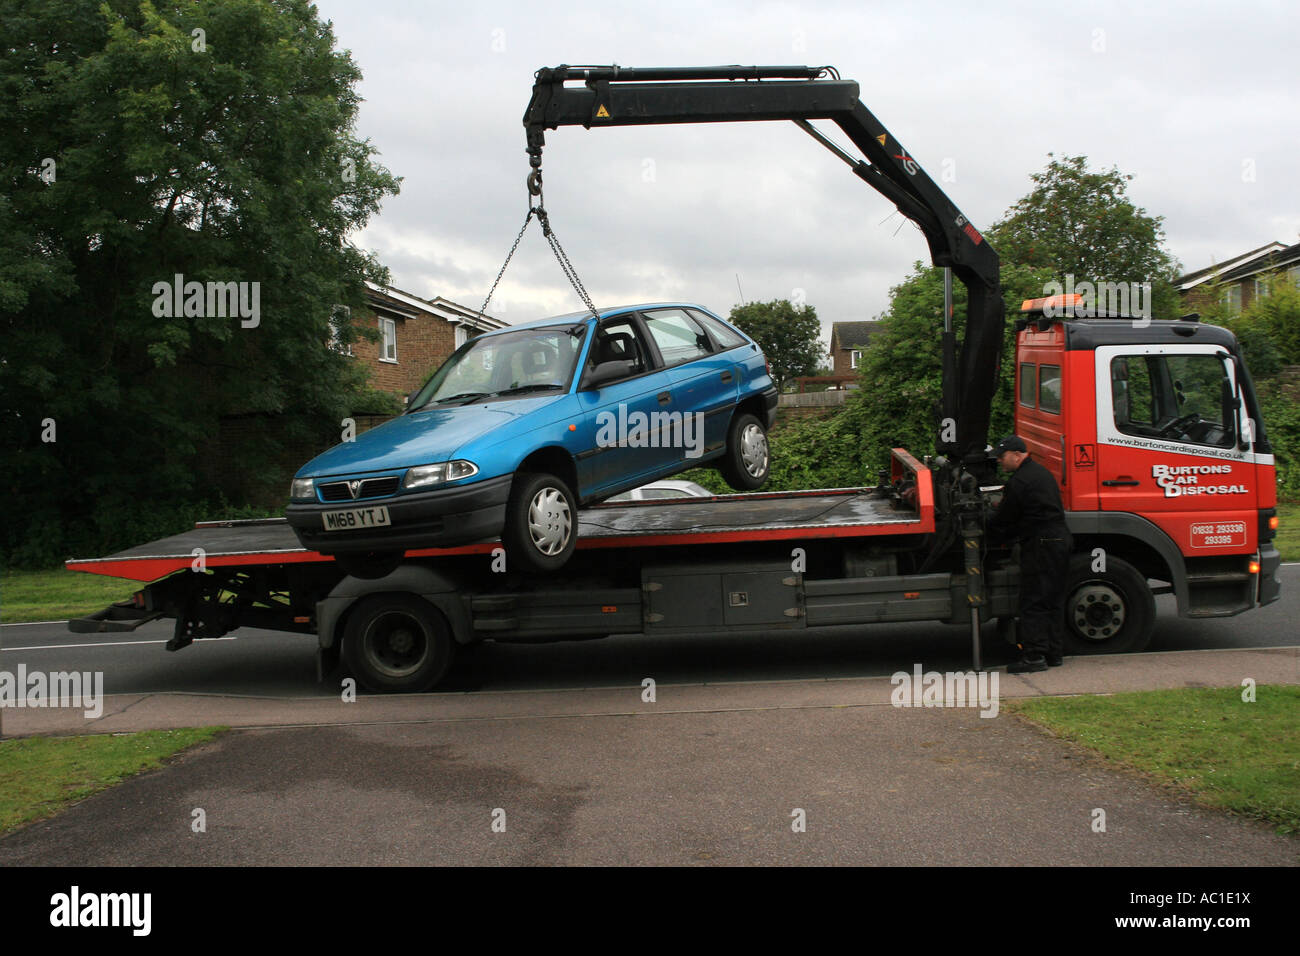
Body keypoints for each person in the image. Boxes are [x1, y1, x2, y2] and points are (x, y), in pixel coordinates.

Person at [986, 434, 1072, 673]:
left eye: (1001, 457)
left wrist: (988, 523)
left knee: (1033, 601)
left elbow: (1005, 518)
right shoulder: (1041, 473)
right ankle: (1054, 653)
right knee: (1053, 599)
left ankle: (1034, 657)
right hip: (1059, 539)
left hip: (1041, 543)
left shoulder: (1020, 481)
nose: (1000, 462)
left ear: (1016, 455)